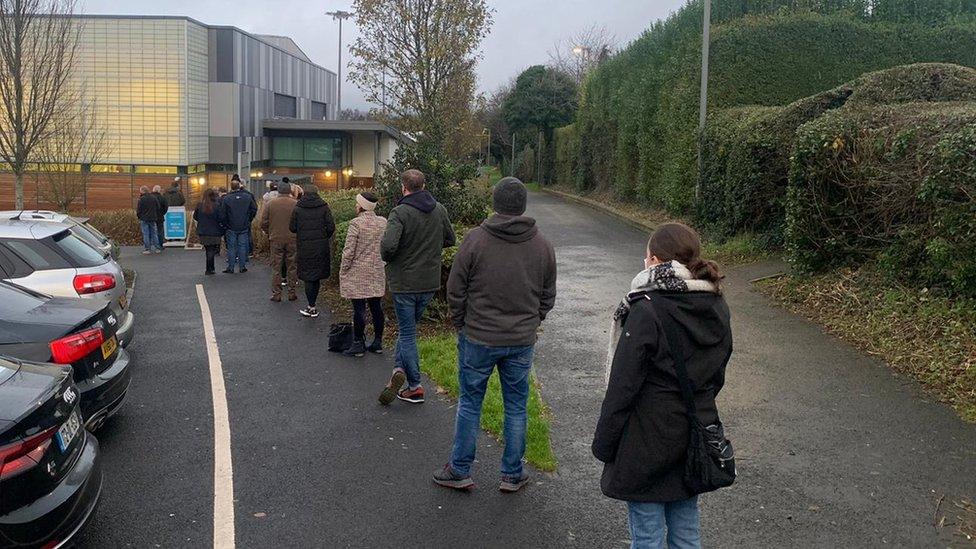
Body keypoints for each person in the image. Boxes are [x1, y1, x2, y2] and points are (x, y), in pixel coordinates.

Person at [592, 223, 731, 549]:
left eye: (646, 257)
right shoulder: (716, 305)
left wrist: (604, 443)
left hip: (646, 440)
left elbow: (623, 388)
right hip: (694, 435)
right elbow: (717, 374)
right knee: (686, 534)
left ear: (655, 261)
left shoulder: (646, 309)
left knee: (648, 538)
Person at [433, 177, 556, 493]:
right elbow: (548, 295)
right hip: (520, 340)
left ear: (494, 204)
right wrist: (533, 320)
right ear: (523, 206)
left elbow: (455, 288)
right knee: (517, 405)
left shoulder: (476, 240)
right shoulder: (542, 245)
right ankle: (512, 474)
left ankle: (459, 469)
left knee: (470, 402)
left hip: (478, 337)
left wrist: (461, 322)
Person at [377, 169, 456, 405]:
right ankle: (398, 369)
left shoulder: (399, 212)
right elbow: (450, 239)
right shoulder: (439, 209)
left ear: (404, 187)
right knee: (407, 330)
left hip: (404, 283)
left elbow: (388, 247)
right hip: (429, 282)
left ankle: (415, 386)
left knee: (408, 333)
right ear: (424, 185)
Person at [338, 192, 388, 357]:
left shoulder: (356, 224)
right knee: (376, 307)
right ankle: (378, 342)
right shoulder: (383, 222)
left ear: (361, 206)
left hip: (358, 272)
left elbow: (349, 251)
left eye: (357, 203)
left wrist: (344, 269)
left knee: (359, 308)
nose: (355, 205)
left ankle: (358, 343)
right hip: (377, 271)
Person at [290, 184, 335, 317]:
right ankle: (313, 305)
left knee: (308, 277)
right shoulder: (324, 207)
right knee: (316, 276)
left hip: (305, 247)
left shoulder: (298, 208)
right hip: (321, 246)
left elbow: (292, 227)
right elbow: (331, 226)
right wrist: (324, 237)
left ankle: (311, 306)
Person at [261, 181, 299, 302]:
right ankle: (292, 292)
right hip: (292, 238)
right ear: (289, 191)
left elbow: (263, 222)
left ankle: (277, 294)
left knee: (276, 267)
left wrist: (269, 232)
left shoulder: (271, 204)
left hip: (276, 238)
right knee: (292, 266)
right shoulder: (296, 204)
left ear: (279, 191)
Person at [221, 180, 257, 274]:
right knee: (242, 246)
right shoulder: (247, 197)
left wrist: (225, 224)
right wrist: (249, 219)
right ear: (239, 186)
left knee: (231, 247)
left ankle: (231, 267)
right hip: (244, 225)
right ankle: (242, 267)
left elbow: (223, 213)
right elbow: (254, 209)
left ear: (231, 187)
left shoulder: (227, 198)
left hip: (231, 226)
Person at [193, 188, 224, 275]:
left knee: (208, 250)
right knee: (212, 250)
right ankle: (211, 268)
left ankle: (209, 268)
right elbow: (221, 218)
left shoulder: (200, 205)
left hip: (203, 231)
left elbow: (195, 217)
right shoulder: (217, 205)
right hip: (215, 231)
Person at [136, 186, 161, 254]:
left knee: (146, 234)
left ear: (143, 191)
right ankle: (157, 248)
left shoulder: (141, 199)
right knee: (154, 233)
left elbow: (138, 210)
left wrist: (139, 217)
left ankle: (147, 249)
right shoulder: (154, 198)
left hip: (144, 219)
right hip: (153, 218)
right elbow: (158, 208)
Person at [151, 184, 168, 251]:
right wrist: (162, 213)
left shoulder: (150, 197)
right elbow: (166, 207)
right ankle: (160, 245)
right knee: (160, 232)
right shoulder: (162, 198)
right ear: (159, 190)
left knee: (152, 232)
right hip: (160, 217)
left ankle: (151, 246)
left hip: (151, 217)